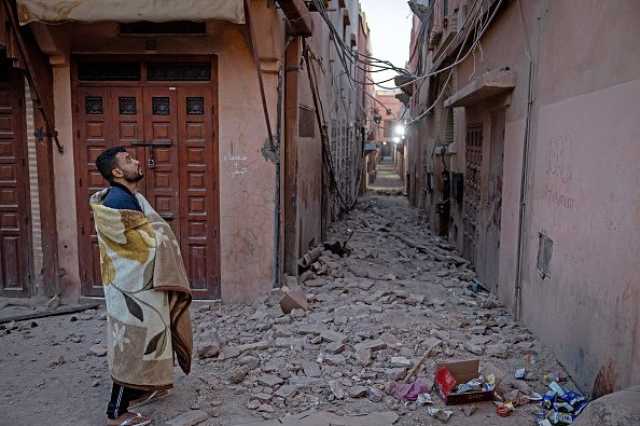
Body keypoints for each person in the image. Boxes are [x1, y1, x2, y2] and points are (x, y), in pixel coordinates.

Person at [93, 147, 193, 426]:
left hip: (141, 286)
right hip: (132, 287)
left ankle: (144, 386)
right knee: (134, 344)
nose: (137, 161)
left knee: (150, 337)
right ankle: (117, 412)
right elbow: (137, 245)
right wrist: (161, 234)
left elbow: (144, 233)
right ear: (116, 172)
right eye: (128, 160)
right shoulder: (117, 200)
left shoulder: (129, 196)